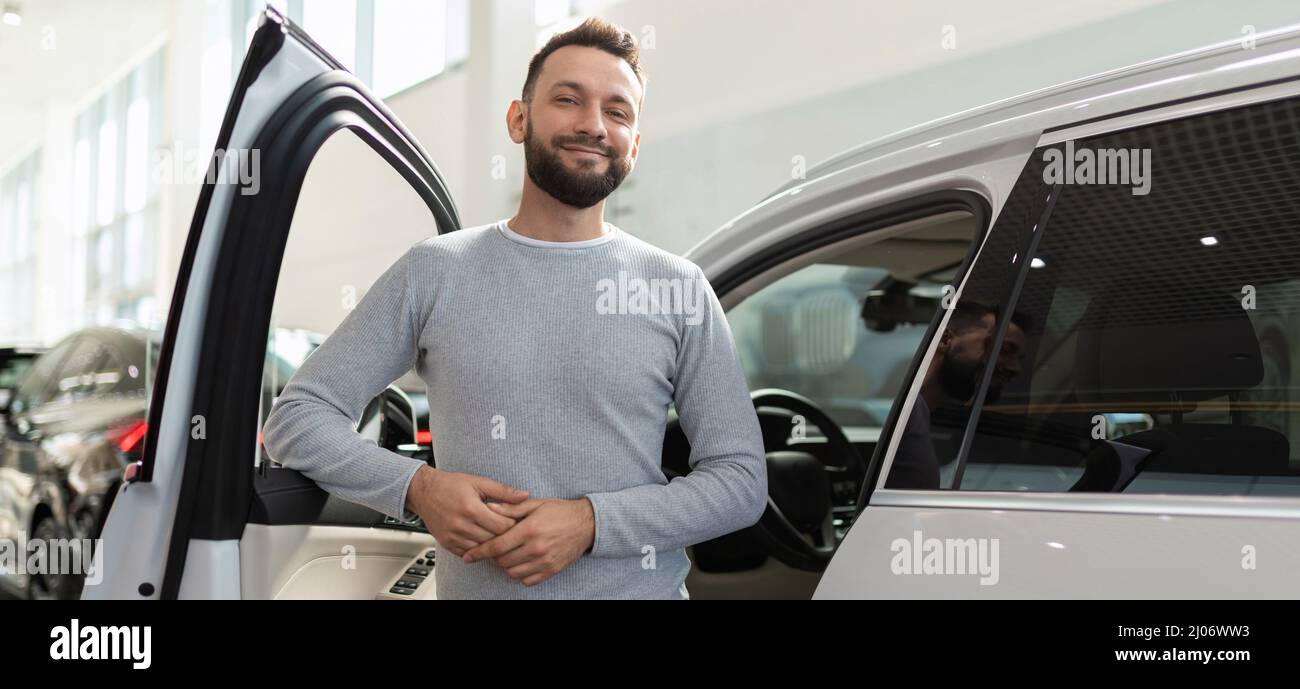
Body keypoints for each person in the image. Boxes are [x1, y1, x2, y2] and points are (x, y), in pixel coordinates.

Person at [262, 18, 767, 599]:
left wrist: (591, 523)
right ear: (518, 119)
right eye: (568, 99)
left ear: (634, 141)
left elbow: (740, 481)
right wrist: (418, 487)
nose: (593, 125)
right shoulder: (435, 270)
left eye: (618, 111)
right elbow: (299, 418)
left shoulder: (678, 287)